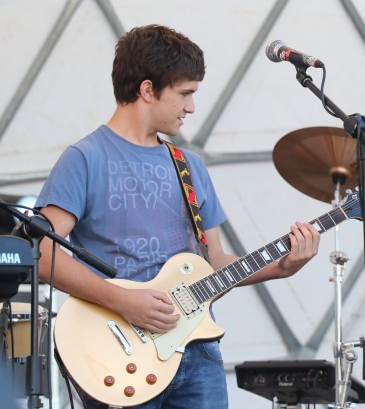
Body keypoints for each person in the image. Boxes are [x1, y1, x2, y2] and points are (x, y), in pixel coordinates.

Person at [34, 25, 321, 408]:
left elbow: (215, 263)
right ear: (147, 90)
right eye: (185, 93)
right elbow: (42, 253)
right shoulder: (84, 158)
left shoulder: (189, 166)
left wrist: (283, 267)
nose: (192, 107)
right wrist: (123, 300)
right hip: (120, 353)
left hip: (197, 352)